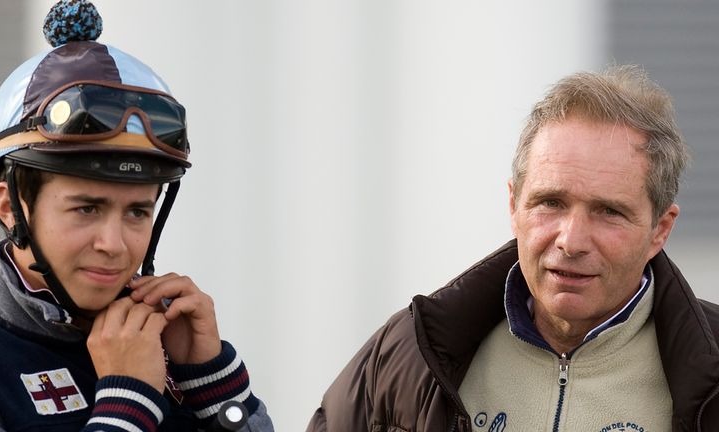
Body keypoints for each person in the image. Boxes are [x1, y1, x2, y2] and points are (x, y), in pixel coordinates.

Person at [307, 65, 719, 431]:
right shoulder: (407, 354)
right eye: (551, 203)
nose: (571, 241)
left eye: (608, 211)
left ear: (659, 230)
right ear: (514, 205)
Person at [0, 1, 273, 431]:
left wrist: (212, 383)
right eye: (87, 208)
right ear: (10, 207)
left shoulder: (172, 348)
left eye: (138, 211)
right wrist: (129, 406)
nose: (115, 244)